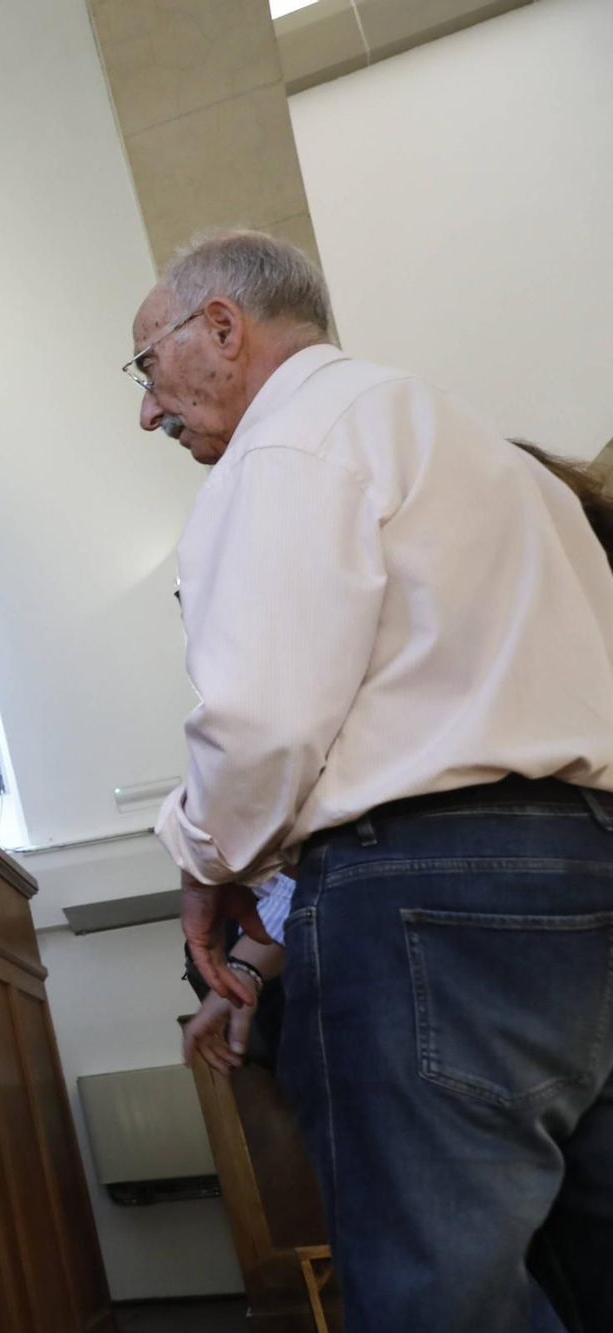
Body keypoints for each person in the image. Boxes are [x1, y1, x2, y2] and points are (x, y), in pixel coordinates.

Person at [129, 229, 613, 1332]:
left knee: (435, 1292)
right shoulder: (476, 448)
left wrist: (200, 853)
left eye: (146, 368)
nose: (146, 410)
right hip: (589, 869)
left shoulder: (285, 449)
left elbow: (262, 721)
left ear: (220, 327)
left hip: (430, 898)